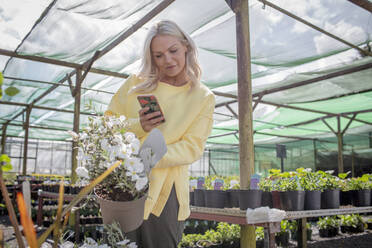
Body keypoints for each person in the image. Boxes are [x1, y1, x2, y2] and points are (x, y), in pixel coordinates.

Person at [105, 20, 215, 248]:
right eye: (158, 55)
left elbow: (192, 146)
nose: (168, 60)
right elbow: (108, 124)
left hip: (166, 191)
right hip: (122, 184)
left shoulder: (202, 97)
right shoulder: (136, 84)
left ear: (186, 46)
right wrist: (139, 125)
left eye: (173, 51)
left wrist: (146, 158)